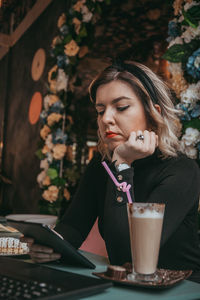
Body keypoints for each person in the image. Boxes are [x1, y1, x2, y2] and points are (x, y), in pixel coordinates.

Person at [21, 60, 200, 281]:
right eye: (100, 110)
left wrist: (123, 165)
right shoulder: (101, 165)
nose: (106, 119)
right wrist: (48, 246)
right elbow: (73, 228)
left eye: (121, 107)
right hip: (126, 286)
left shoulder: (182, 170)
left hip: (181, 289)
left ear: (154, 114)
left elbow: (126, 254)